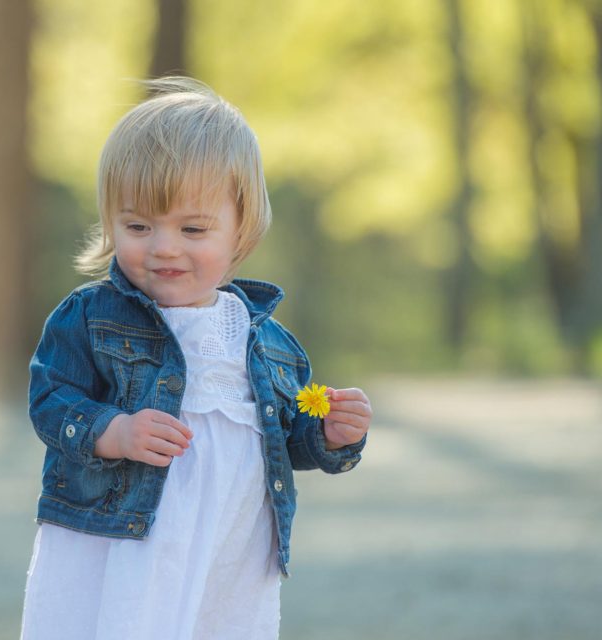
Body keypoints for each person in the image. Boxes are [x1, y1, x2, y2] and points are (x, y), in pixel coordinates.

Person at [21, 77, 372, 639]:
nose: (163, 246)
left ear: (240, 231)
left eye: (192, 228)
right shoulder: (91, 315)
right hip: (125, 539)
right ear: (111, 221)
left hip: (230, 546)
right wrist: (112, 431)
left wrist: (331, 435)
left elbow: (283, 436)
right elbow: (49, 397)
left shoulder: (265, 339)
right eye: (138, 226)